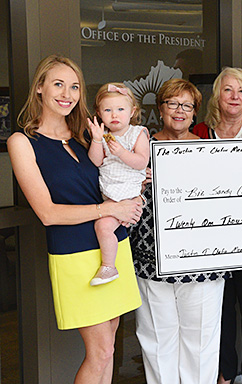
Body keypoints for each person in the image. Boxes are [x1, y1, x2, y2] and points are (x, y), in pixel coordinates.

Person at [7, 55, 142, 383]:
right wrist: (110, 210)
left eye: (75, 86)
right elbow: (47, 213)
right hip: (74, 255)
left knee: (110, 343)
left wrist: (136, 189)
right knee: (101, 352)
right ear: (39, 88)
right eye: (58, 84)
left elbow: (118, 172)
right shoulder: (22, 142)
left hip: (113, 246)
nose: (67, 93)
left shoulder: (86, 134)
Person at [129, 78, 228, 383]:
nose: (179, 111)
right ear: (160, 109)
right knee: (157, 341)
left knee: (201, 343)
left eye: (187, 105)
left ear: (195, 112)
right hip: (151, 260)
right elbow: (113, 191)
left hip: (202, 262)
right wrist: (136, 182)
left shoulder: (211, 152)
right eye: (172, 103)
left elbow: (226, 203)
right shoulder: (138, 151)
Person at [192, 67, 242, 384]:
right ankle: (225, 373)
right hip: (211, 236)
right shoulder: (200, 131)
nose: (235, 96)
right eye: (228, 90)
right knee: (220, 308)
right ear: (217, 95)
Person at [88, 83, 149, 286]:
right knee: (104, 227)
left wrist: (122, 152)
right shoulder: (104, 135)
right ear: (99, 113)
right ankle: (111, 266)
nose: (114, 114)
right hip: (111, 195)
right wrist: (97, 140)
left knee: (102, 225)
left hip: (129, 192)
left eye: (120, 109)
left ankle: (108, 266)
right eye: (108, 110)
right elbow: (96, 161)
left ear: (132, 112)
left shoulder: (138, 133)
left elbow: (142, 162)